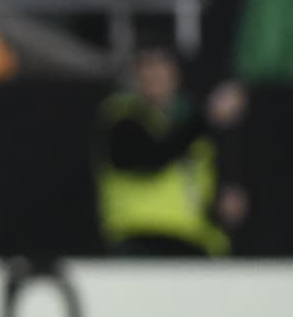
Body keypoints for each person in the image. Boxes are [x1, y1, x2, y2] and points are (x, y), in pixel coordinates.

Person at [95, 46, 248, 257]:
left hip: (194, 242)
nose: (155, 74)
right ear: (134, 74)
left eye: (161, 65)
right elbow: (149, 159)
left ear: (176, 73)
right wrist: (207, 117)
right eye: (147, 65)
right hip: (141, 239)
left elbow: (195, 190)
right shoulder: (122, 116)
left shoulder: (188, 125)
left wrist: (223, 206)